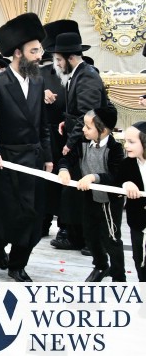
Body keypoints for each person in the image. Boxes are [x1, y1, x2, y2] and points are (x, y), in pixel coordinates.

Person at [0, 13, 52, 282]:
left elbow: (43, 123)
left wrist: (48, 156)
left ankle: (18, 264)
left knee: (32, 215)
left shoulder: (38, 81)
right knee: (6, 215)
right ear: (17, 53)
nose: (39, 56)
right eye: (34, 51)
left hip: (33, 160)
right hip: (5, 160)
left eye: (40, 50)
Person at [46, 31, 109, 254]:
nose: (58, 64)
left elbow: (88, 115)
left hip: (86, 143)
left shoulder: (87, 76)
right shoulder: (78, 74)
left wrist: (70, 143)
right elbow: (77, 111)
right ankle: (77, 237)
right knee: (74, 193)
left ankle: (94, 242)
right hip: (80, 138)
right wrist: (67, 120)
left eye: (59, 60)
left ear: (70, 58)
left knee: (89, 193)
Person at [58, 108, 125, 282]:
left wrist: (94, 177)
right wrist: (64, 169)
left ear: (103, 130)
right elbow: (67, 158)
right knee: (90, 235)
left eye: (88, 127)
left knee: (111, 239)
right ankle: (101, 266)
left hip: (109, 202)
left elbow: (116, 176)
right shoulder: (82, 142)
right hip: (90, 199)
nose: (83, 130)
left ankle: (119, 276)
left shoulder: (115, 149)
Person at [40, 20, 75, 246]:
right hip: (48, 134)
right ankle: (43, 221)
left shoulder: (82, 74)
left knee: (68, 182)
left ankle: (65, 227)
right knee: (46, 180)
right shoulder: (41, 73)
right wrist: (41, 93)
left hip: (71, 135)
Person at [120, 121, 146, 282]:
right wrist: (126, 183)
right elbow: (116, 179)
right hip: (138, 222)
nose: (126, 146)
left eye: (131, 142)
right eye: (125, 141)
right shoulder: (126, 164)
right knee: (139, 259)